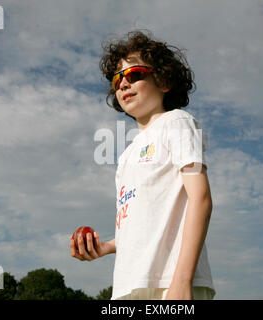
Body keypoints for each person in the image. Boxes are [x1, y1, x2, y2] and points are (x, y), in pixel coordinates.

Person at [70, 30, 215, 300]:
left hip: (170, 284)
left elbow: (201, 198)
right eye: (117, 79)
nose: (124, 83)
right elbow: (140, 224)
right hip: (128, 288)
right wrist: (106, 247)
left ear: (163, 81)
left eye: (134, 73)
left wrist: (181, 283)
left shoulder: (177, 123)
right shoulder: (126, 157)